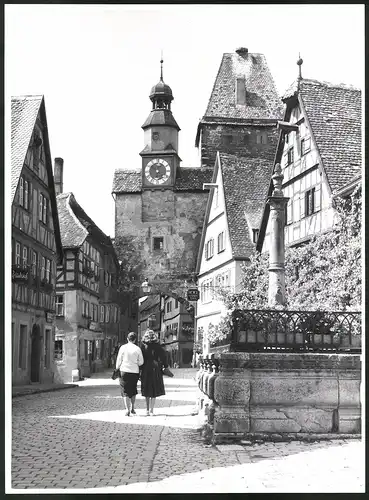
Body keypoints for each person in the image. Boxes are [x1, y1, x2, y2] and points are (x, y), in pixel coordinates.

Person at [140, 329, 168, 416]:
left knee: (147, 389)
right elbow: (164, 357)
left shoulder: (143, 346)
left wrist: (140, 369)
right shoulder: (158, 346)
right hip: (155, 369)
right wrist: (165, 366)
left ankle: (147, 410)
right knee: (154, 389)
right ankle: (152, 410)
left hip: (146, 369)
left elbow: (140, 359)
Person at [115, 333, 143, 416]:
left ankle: (127, 409)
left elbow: (119, 360)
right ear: (135, 340)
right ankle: (133, 408)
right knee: (133, 389)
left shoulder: (123, 348)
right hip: (134, 371)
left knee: (125, 390)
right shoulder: (137, 349)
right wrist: (136, 362)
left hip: (124, 370)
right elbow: (141, 362)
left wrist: (117, 368)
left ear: (127, 339)